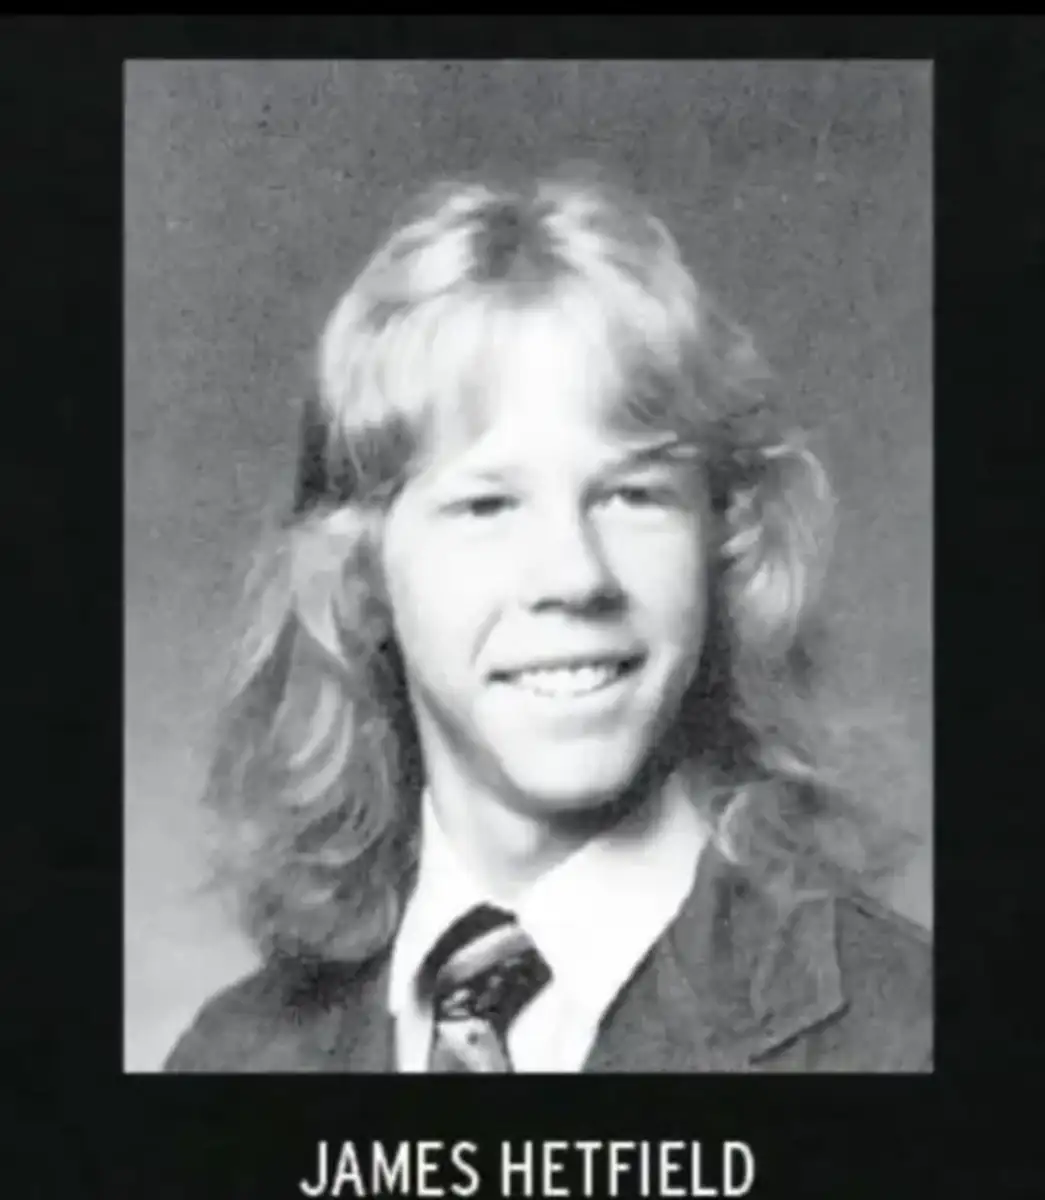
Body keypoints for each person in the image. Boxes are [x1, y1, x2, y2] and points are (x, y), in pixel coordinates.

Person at [163, 169, 931, 1074]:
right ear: (361, 575)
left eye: (633, 493)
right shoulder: (230, 1062)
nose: (574, 575)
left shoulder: (906, 1040)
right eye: (487, 505)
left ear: (720, 547)